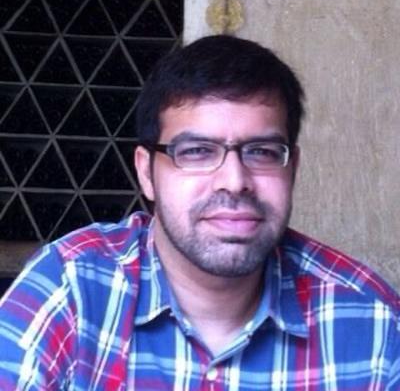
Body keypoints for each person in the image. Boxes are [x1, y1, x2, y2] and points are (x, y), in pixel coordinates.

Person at [0, 35, 399, 390]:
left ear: (292, 168)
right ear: (146, 173)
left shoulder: (373, 323)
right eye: (196, 152)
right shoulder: (70, 289)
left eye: (261, 152)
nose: (234, 181)